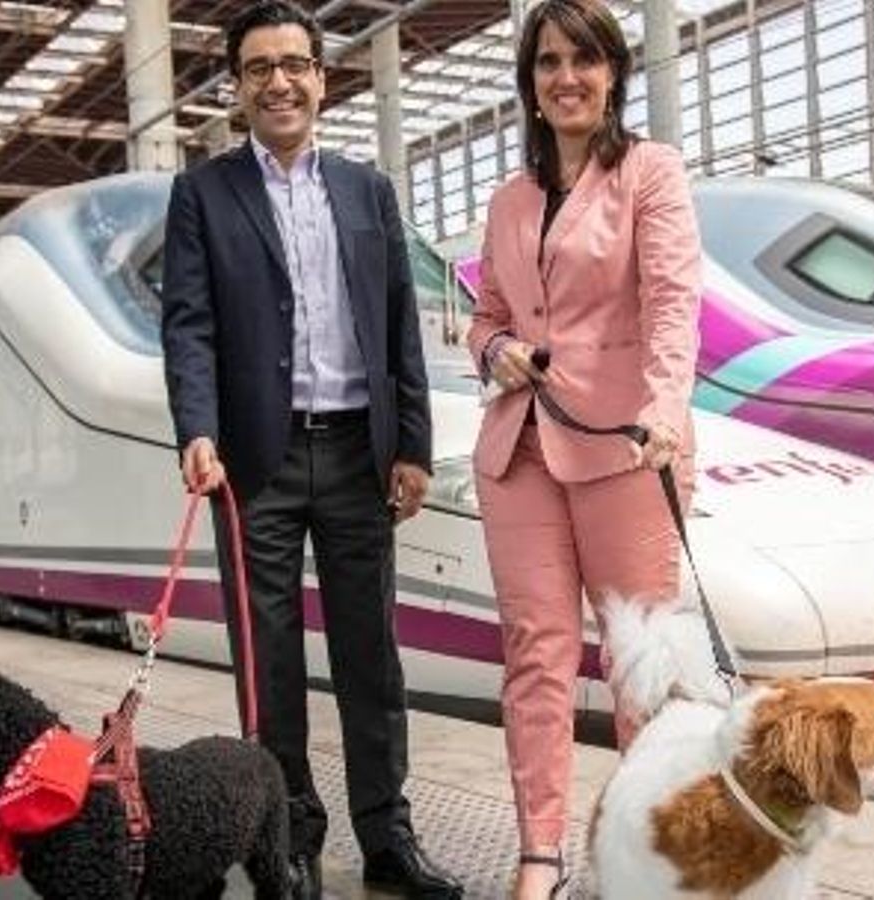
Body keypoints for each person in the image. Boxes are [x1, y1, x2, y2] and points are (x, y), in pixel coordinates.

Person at [159, 3, 462, 897]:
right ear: (237, 88)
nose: (279, 81)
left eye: (296, 63)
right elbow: (189, 326)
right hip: (256, 463)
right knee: (271, 659)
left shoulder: (369, 191)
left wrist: (411, 442)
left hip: (359, 456)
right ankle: (286, 832)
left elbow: (400, 322)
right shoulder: (203, 194)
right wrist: (197, 428)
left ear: (324, 80)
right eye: (259, 68)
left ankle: (387, 834)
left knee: (372, 652)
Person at [466, 0, 703, 897]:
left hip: (626, 448)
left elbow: (674, 302)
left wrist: (664, 411)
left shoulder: (651, 172)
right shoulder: (508, 199)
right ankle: (540, 857)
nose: (566, 77)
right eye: (548, 61)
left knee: (641, 662)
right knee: (536, 654)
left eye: (585, 60)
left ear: (613, 73)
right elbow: (486, 316)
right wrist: (498, 351)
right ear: (529, 83)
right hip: (520, 451)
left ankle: (646, 854)